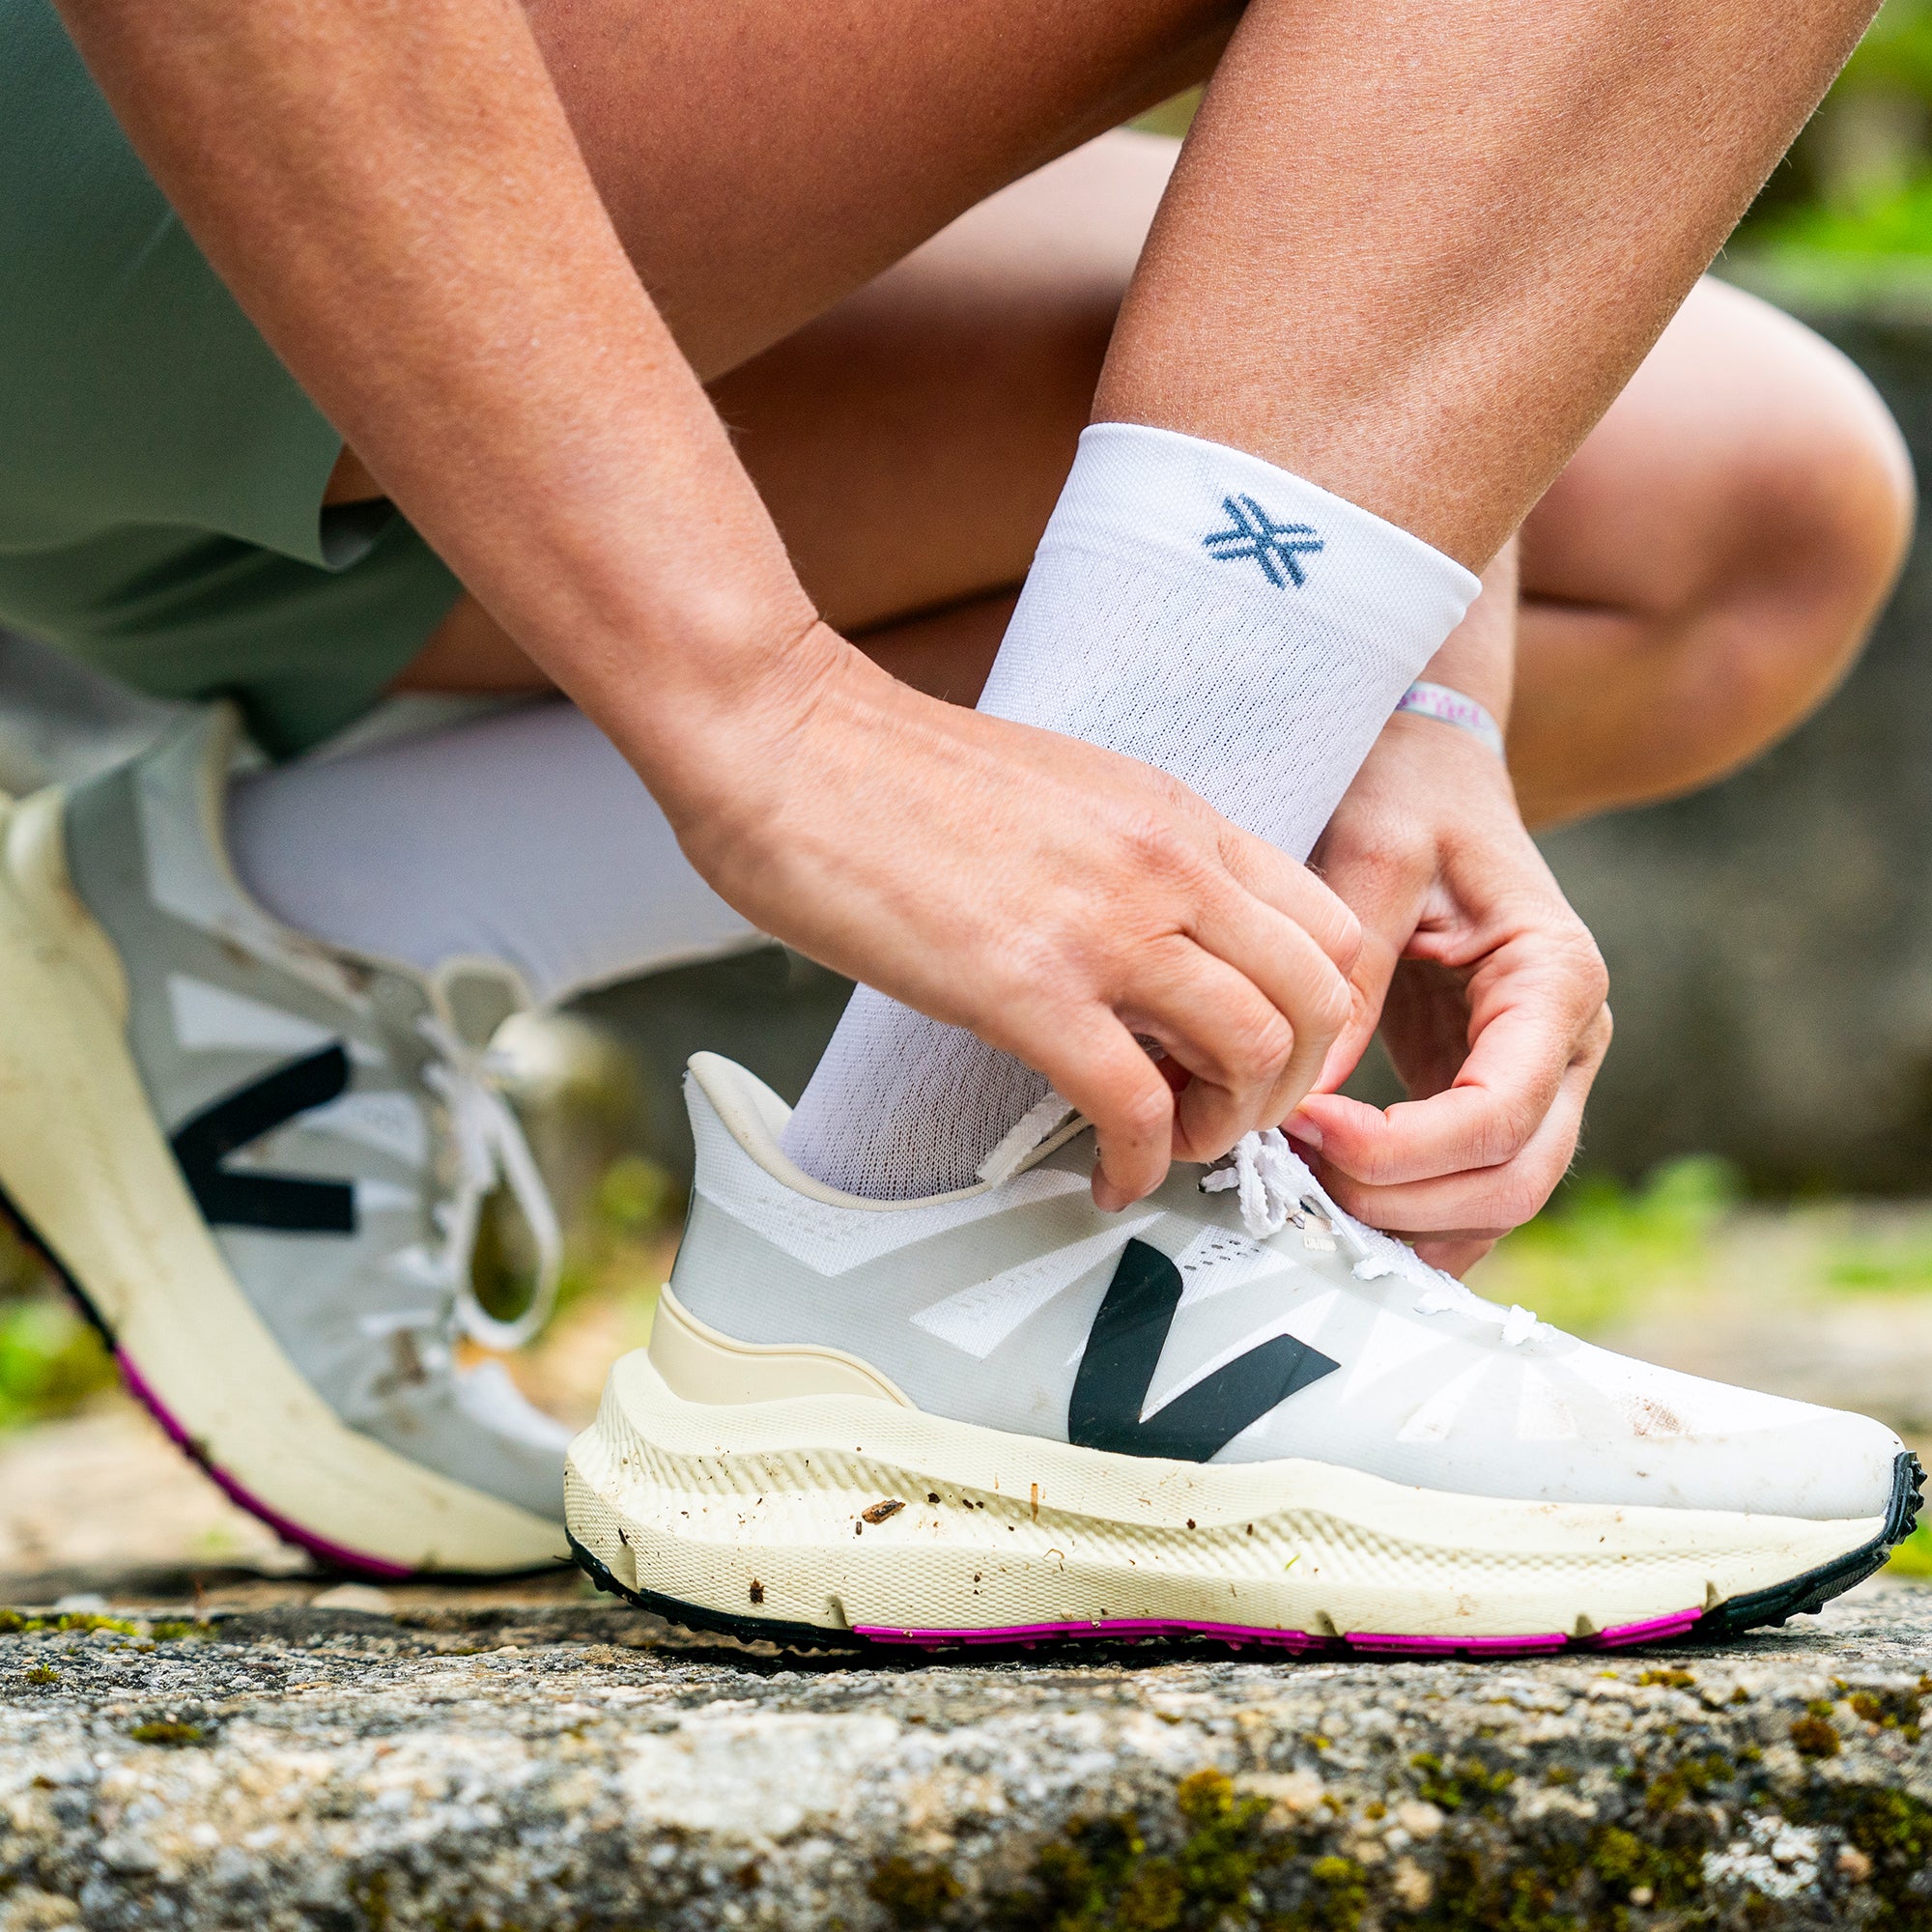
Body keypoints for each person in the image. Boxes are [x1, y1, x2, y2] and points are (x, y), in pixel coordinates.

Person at [0, 0, 1920, 1638]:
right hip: (196, 133)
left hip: (293, 373)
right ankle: (958, 1244)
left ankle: (309, 912)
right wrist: (758, 707)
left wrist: (1407, 684)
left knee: (1721, 512)